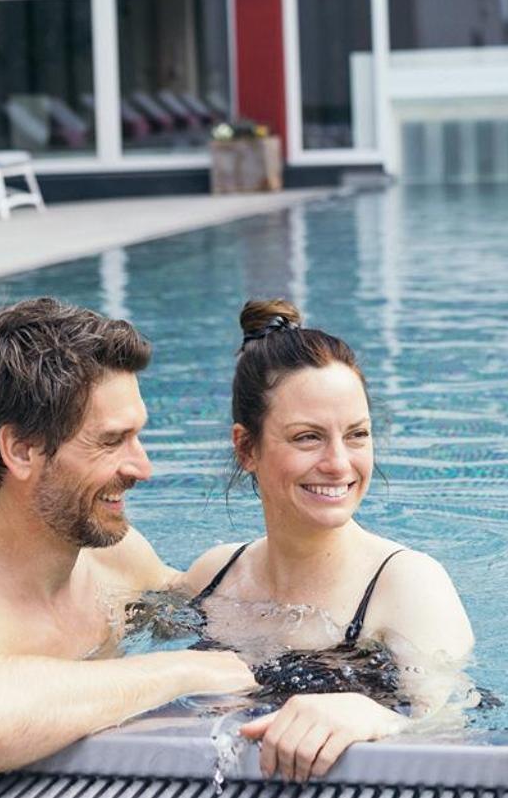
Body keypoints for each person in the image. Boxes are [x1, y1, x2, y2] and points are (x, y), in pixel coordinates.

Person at [0, 297, 256, 773]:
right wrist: (181, 670)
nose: (143, 468)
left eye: (137, 437)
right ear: (21, 450)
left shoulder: (114, 558)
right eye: (111, 441)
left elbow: (227, 620)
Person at [174, 298, 477, 783]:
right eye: (308, 437)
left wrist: (381, 719)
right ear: (246, 448)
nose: (339, 464)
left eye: (357, 435)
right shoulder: (213, 576)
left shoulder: (407, 584)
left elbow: (451, 729)